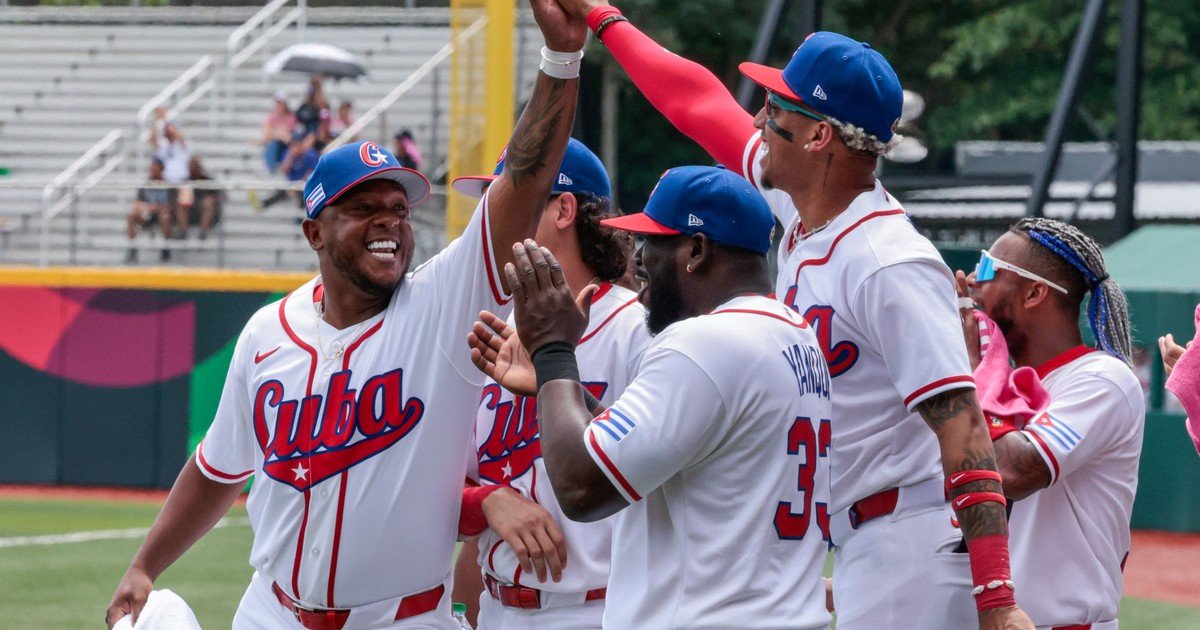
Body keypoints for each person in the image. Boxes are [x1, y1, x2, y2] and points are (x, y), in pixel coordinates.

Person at [104, 1, 587, 627]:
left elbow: (521, 182)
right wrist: (146, 565)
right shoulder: (265, 333)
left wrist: (561, 59)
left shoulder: (440, 309)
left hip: (402, 617)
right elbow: (217, 468)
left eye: (399, 207)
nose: (389, 219)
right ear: (315, 233)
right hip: (271, 612)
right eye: (362, 207)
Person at [555, 2, 1033, 628]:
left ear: (819, 136)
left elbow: (963, 429)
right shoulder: (800, 206)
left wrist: (996, 597)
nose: (759, 117)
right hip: (859, 537)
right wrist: (601, 16)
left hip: (907, 538)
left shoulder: (890, 260)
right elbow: (697, 102)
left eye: (777, 109)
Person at [474, 165, 834, 629]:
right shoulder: (795, 334)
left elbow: (581, 489)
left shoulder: (704, 343)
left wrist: (555, 352)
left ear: (697, 249)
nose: (638, 260)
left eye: (655, 243)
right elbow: (671, 451)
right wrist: (561, 388)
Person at [450, 139, 649, 629]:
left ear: (563, 210)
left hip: (600, 610)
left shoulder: (637, 330)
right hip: (497, 609)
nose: (491, 221)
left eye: (511, 201)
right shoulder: (482, 328)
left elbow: (671, 477)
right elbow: (422, 479)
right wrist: (486, 503)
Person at [956, 218, 1144, 629]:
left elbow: (1013, 471)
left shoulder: (1101, 380)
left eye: (988, 269)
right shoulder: (1000, 383)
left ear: (1035, 292)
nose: (972, 280)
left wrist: (975, 373)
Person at [124, 158, 174, 264]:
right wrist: (146, 207)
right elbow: (138, 202)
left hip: (162, 213)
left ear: (161, 170)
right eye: (152, 169)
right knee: (131, 215)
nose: (153, 172)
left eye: (156, 169)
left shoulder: (169, 185)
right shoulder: (146, 184)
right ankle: (133, 247)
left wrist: (158, 207)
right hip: (147, 213)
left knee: (165, 216)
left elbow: (171, 204)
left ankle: (166, 247)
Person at [177, 156, 224, 241]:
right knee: (182, 202)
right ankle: (183, 231)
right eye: (191, 165)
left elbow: (220, 195)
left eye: (194, 165)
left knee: (208, 203)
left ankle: (203, 232)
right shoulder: (185, 181)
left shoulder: (208, 181)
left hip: (206, 212)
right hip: (190, 211)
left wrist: (210, 199)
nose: (192, 168)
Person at [150, 107, 192, 185]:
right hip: (167, 180)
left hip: (182, 178)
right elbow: (153, 140)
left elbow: (179, 136)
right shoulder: (164, 144)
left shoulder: (181, 144)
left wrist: (165, 119)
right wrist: (157, 120)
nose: (168, 131)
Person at [261, 90, 296, 174]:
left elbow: (289, 139)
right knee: (273, 144)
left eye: (282, 102)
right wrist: (280, 134)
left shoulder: (291, 117)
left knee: (290, 149)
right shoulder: (271, 116)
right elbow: (266, 136)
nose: (280, 105)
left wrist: (274, 132)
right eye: (278, 102)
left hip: (286, 146)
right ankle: (271, 170)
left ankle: (281, 172)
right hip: (276, 145)